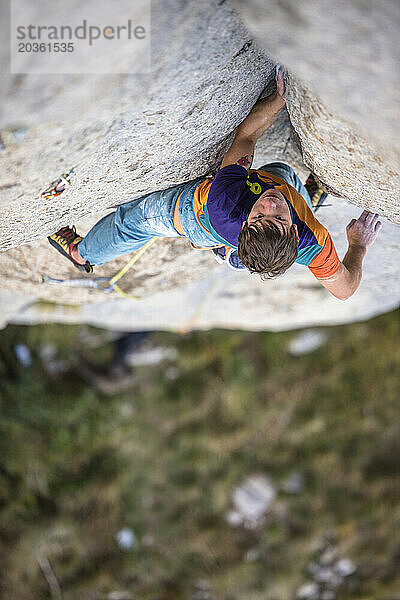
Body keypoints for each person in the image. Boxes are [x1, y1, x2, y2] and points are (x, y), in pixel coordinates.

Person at [48, 66, 382, 301]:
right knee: (282, 174)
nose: (269, 203)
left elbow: (247, 135)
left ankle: (81, 253)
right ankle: (237, 250)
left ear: (246, 224)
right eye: (276, 217)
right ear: (295, 232)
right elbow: (345, 289)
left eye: (263, 216)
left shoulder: (225, 202)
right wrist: (358, 245)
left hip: (199, 219)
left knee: (138, 220)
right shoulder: (314, 244)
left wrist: (276, 103)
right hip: (245, 239)